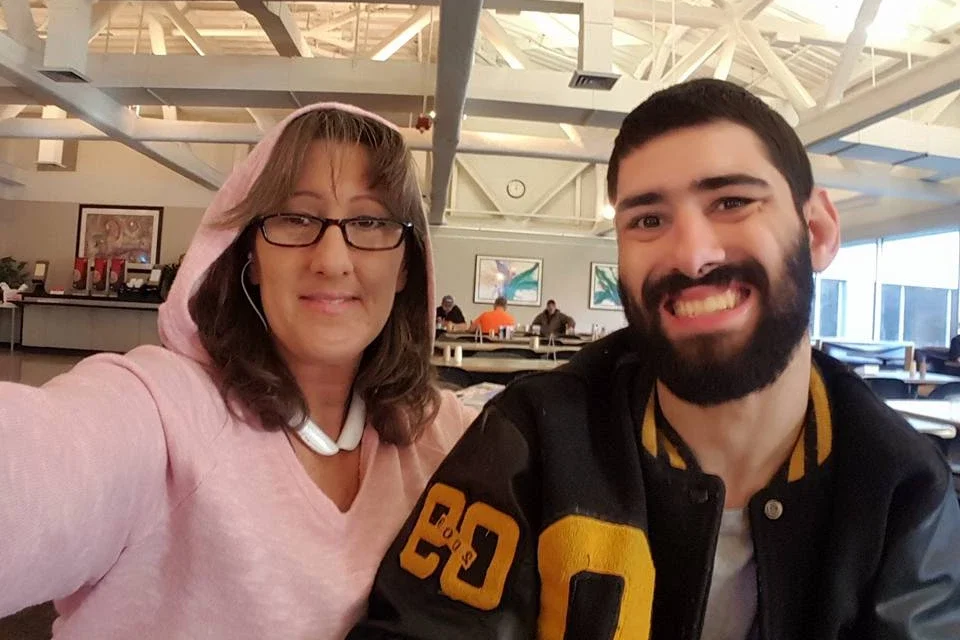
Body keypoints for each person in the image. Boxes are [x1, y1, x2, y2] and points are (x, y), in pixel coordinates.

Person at [350, 79, 960, 638]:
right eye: (648, 219)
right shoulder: (531, 440)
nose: (692, 256)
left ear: (819, 231)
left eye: (732, 202)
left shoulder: (902, 490)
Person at [0, 103, 475, 639]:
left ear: (406, 263)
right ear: (248, 254)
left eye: (369, 221)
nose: (333, 260)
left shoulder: (446, 439)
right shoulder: (165, 413)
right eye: (296, 218)